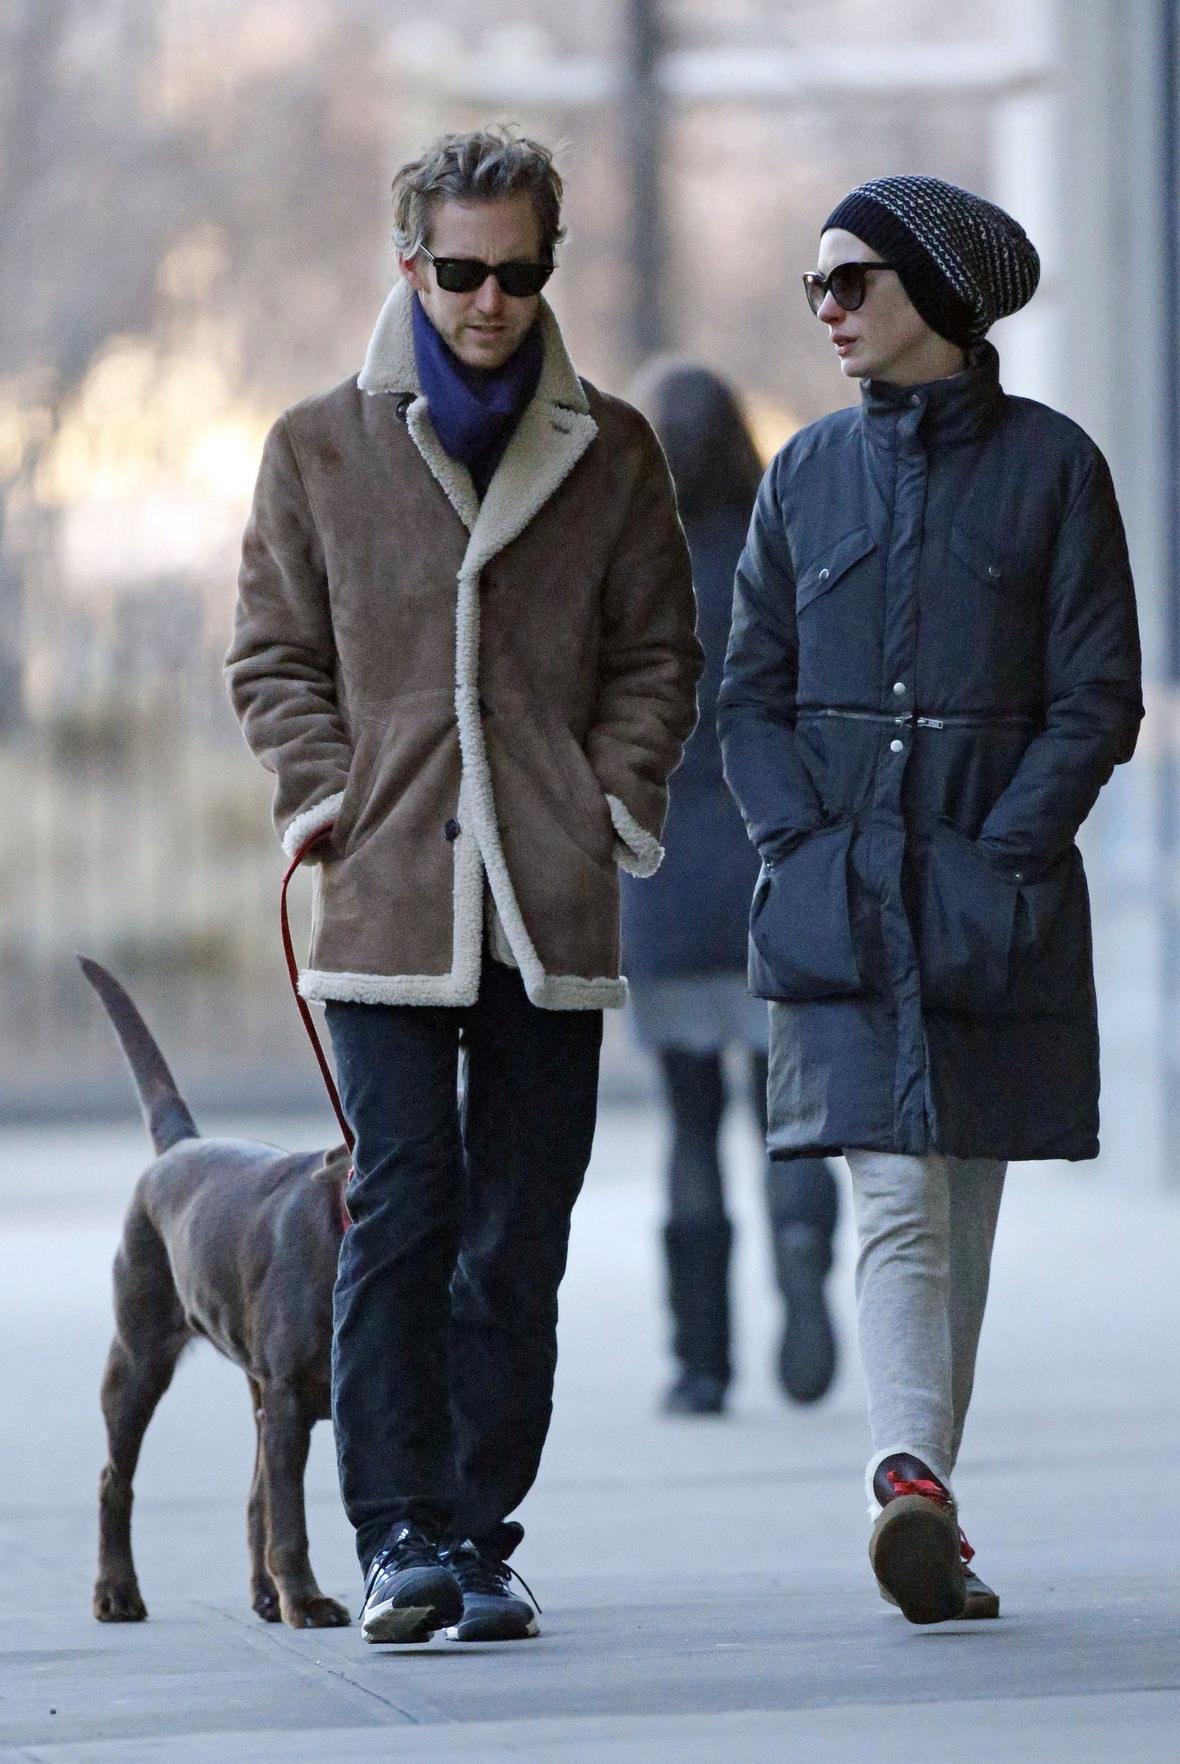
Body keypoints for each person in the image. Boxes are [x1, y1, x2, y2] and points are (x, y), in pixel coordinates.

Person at [226, 127, 700, 1645]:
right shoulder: (316, 447)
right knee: (404, 1202)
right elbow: (272, 660)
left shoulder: (613, 449)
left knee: (521, 1225)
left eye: (519, 271)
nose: (490, 301)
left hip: (547, 899)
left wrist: (613, 802)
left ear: (546, 264)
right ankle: (394, 1536)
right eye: (460, 271)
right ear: (407, 259)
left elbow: (657, 661)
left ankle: (480, 1531)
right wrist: (329, 804)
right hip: (382, 900)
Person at [718, 175, 1141, 1625]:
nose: (827, 310)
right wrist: (803, 846)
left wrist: (1005, 855)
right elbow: (748, 696)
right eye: (815, 287)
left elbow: (1098, 699)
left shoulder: (1057, 471)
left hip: (987, 900)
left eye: (854, 284)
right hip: (845, 898)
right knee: (895, 1192)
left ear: (939, 303)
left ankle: (931, 1518)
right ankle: (910, 1479)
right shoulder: (803, 475)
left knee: (960, 1204)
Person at [622, 361, 839, 1418]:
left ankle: (699, 1362)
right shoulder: (778, 554)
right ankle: (801, 1243)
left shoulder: (631, 572)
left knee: (688, 1121)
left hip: (662, 879)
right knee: (786, 1106)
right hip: (765, 860)